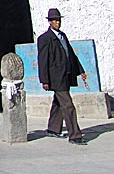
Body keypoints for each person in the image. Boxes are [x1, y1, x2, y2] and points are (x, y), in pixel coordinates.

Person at [37, 8, 88, 145]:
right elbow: (43, 60)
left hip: (66, 75)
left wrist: (80, 70)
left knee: (58, 102)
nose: (57, 22)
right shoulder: (44, 38)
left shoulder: (62, 36)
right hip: (55, 77)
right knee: (68, 105)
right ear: (49, 22)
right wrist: (45, 80)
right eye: (54, 20)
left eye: (58, 20)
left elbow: (70, 54)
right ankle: (75, 135)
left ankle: (53, 129)